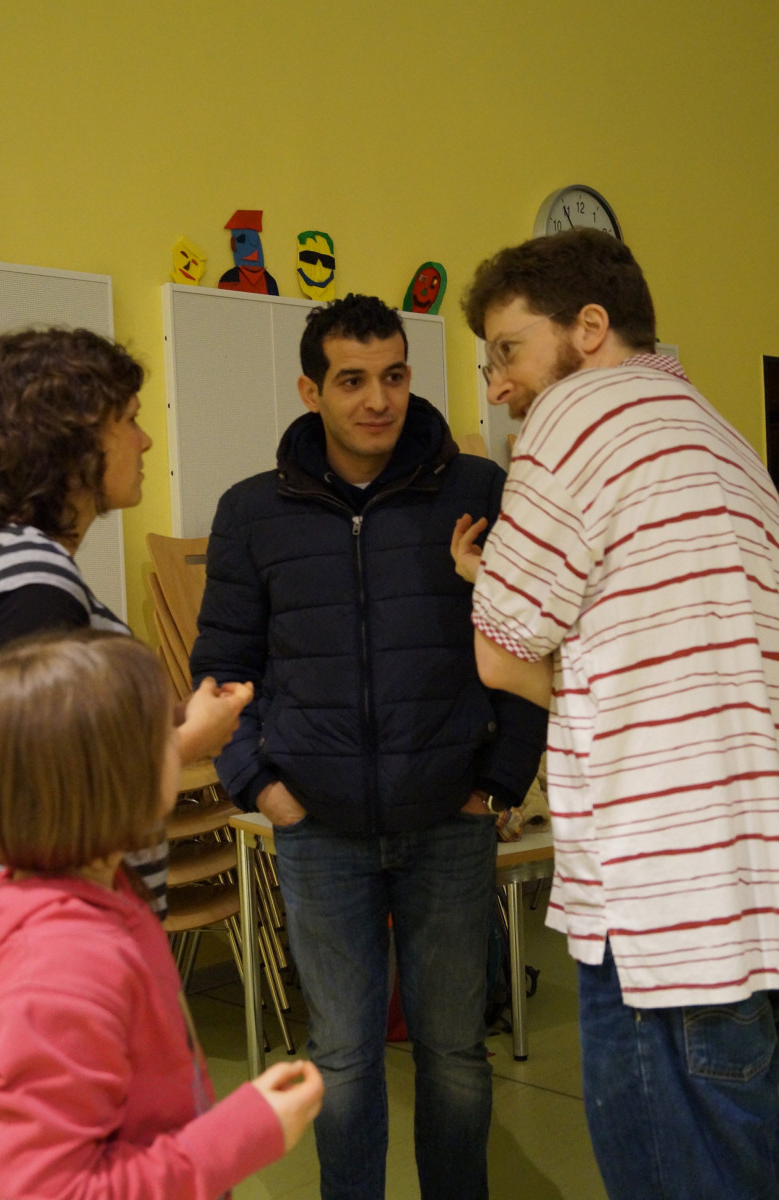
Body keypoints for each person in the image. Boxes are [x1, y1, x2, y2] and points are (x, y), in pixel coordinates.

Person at [190, 293, 547, 1200]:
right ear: (311, 390)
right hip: (318, 830)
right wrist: (261, 788)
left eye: (392, 376)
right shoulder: (252, 512)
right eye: (351, 381)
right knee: (342, 1061)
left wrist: (499, 782)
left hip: (449, 821)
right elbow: (222, 669)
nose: (377, 400)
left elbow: (529, 640)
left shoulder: (478, 492)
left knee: (455, 1056)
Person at [453, 227, 779, 1200]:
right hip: (741, 893)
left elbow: (501, 652)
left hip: (653, 905)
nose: (497, 386)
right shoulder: (720, 438)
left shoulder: (577, 413)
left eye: (507, 350)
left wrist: (490, 593)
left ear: (588, 328)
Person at [0, 631, 323, 1199]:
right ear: (107, 782)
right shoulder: (60, 968)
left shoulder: (103, 888)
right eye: (160, 736)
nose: (180, 743)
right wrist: (240, 1136)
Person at [0, 326, 252, 909]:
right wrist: (191, 740)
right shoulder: (30, 573)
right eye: (128, 420)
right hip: (61, 922)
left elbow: (58, 732)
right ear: (69, 443)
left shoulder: (12, 558)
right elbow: (67, 781)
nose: (146, 441)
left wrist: (159, 719)